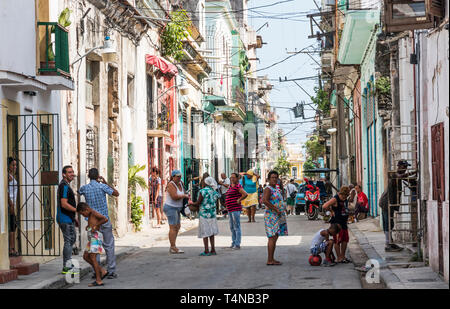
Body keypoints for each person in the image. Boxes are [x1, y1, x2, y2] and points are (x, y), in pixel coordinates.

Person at [79, 168, 119, 279]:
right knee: (109, 245)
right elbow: (116, 193)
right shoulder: (102, 186)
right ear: (98, 177)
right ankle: (111, 271)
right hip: (104, 220)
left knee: (94, 248)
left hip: (92, 224)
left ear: (88, 176)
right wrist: (106, 183)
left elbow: (78, 191)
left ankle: (96, 271)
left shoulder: (85, 188)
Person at [379, 160, 417, 252]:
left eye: (406, 167)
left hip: (389, 201)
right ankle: (388, 244)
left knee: (390, 223)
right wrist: (414, 172)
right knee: (388, 223)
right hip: (386, 201)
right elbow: (401, 176)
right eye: (404, 167)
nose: (405, 169)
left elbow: (406, 179)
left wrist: (414, 178)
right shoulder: (394, 174)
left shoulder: (399, 176)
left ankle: (390, 243)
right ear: (399, 166)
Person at [77, 202, 108, 287]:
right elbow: (92, 223)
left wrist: (95, 225)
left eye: (83, 214)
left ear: (86, 209)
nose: (83, 216)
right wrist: (89, 226)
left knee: (93, 258)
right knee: (86, 257)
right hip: (91, 238)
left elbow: (105, 219)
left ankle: (98, 280)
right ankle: (102, 271)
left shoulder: (94, 213)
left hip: (96, 237)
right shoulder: (90, 215)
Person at [189, 177, 221, 256]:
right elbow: (218, 198)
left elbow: (198, 203)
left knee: (205, 232)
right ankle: (213, 249)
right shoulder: (214, 191)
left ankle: (206, 250)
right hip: (212, 214)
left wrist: (191, 203)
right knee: (211, 232)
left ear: (206, 183)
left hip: (204, 214)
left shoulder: (202, 191)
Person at [262, 170, 288, 266]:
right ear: (268, 179)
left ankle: (272, 258)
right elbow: (264, 200)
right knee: (272, 237)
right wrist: (275, 208)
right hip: (271, 216)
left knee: (275, 236)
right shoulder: (268, 189)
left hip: (277, 215)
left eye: (276, 177)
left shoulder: (276, 188)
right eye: (272, 177)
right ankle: (269, 259)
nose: (274, 179)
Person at [57, 165, 79, 274]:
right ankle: (67, 266)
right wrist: (76, 210)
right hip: (64, 218)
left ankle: (68, 264)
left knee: (71, 239)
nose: (72, 174)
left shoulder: (65, 185)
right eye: (69, 172)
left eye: (72, 172)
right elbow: (64, 204)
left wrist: (74, 218)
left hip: (67, 217)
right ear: (64, 174)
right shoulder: (64, 186)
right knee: (69, 241)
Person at [163, 170, 190, 254]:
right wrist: (184, 195)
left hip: (178, 208)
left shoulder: (181, 183)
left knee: (177, 226)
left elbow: (184, 192)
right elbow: (174, 196)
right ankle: (173, 247)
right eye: (177, 176)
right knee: (173, 227)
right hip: (171, 207)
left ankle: (173, 245)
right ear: (173, 176)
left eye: (180, 176)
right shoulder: (171, 184)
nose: (179, 178)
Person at [323, 186, 351, 263]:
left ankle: (343, 256)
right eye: (344, 195)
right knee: (337, 240)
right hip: (336, 223)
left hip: (344, 222)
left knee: (345, 239)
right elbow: (325, 206)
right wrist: (331, 211)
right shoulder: (335, 199)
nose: (345, 197)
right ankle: (339, 257)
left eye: (346, 196)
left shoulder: (345, 199)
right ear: (341, 193)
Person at [225, 173, 248, 249]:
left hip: (235, 209)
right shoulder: (230, 186)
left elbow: (245, 194)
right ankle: (233, 242)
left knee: (236, 226)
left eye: (233, 177)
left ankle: (237, 244)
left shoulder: (238, 186)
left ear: (237, 179)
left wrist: (239, 199)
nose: (232, 179)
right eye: (231, 177)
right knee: (232, 227)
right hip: (230, 209)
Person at [7, 157, 19, 257]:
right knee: (12, 227)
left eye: (15, 165)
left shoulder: (11, 176)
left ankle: (12, 248)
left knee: (13, 226)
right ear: (8, 166)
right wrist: (11, 205)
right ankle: (11, 249)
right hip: (9, 204)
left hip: (12, 204)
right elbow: (6, 191)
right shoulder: (8, 177)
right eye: (13, 165)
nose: (15, 167)